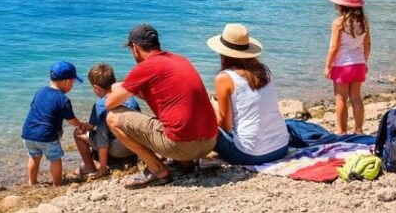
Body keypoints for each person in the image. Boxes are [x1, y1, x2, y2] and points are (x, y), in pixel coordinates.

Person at [106, 24, 217, 189]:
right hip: (209, 142)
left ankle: (157, 169)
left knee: (113, 118)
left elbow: (110, 103)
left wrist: (119, 87)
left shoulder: (145, 67)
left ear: (135, 48)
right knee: (172, 108)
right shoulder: (180, 59)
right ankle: (186, 163)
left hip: (183, 147)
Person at [206, 23, 289, 165]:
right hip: (281, 147)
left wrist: (212, 106)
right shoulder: (264, 71)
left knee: (204, 126)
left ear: (223, 52)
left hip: (249, 154)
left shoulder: (224, 78)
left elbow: (226, 125)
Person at [21, 61, 90, 186]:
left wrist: (58, 128)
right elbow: (71, 120)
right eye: (73, 83)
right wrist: (80, 124)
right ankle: (57, 184)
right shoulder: (63, 99)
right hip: (46, 136)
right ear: (67, 82)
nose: (72, 86)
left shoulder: (40, 91)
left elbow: (39, 111)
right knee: (55, 159)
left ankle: (32, 182)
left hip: (28, 133)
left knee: (34, 158)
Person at [72, 63, 140, 179]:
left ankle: (90, 167)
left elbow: (102, 138)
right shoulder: (129, 98)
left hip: (118, 150)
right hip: (136, 145)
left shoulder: (100, 105)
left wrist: (102, 169)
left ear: (96, 88)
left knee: (78, 132)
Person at [323, 0, 372, 134]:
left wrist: (328, 66)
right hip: (359, 64)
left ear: (340, 5)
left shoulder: (339, 23)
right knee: (356, 98)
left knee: (341, 98)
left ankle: (342, 131)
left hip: (342, 66)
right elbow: (367, 44)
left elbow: (334, 47)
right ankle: (358, 129)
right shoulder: (363, 22)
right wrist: (364, 62)